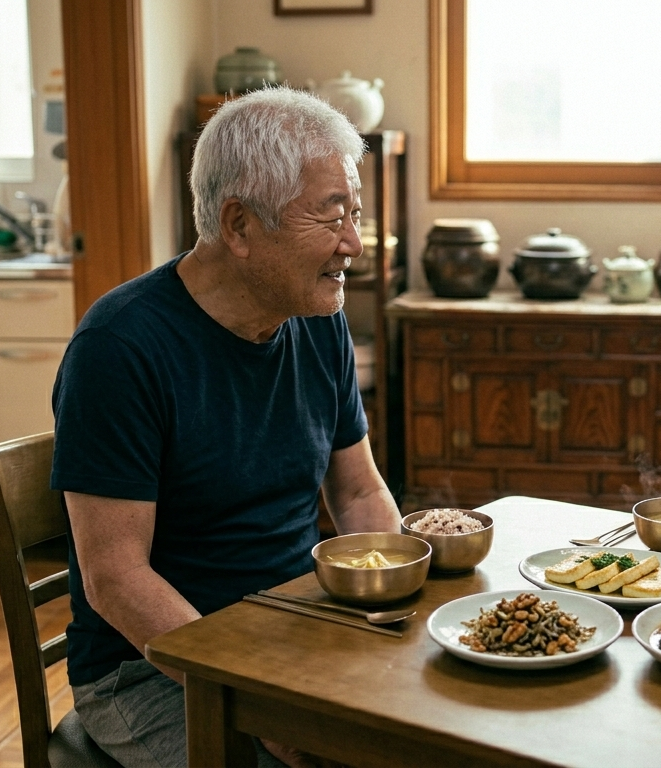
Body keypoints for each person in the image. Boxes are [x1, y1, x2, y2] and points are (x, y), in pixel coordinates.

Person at [50, 88, 400, 768]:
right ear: (239, 225)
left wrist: (401, 608)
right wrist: (250, 694)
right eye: (332, 217)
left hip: (297, 627)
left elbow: (358, 495)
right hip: (152, 667)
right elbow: (116, 578)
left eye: (354, 213)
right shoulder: (120, 348)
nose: (353, 243)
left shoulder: (317, 319)